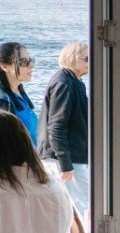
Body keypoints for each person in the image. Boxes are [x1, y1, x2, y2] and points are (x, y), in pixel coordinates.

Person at [38, 41, 91, 221]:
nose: (91, 62)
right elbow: (57, 125)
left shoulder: (74, 82)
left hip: (70, 155)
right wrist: (65, 161)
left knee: (77, 204)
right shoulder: (64, 84)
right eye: (87, 58)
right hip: (64, 157)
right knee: (85, 204)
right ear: (74, 59)